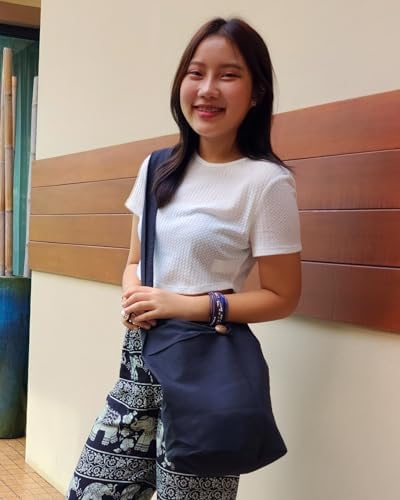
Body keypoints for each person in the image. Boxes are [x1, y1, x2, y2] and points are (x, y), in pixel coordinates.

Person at [66, 16, 301, 500]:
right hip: (138, 365)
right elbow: (134, 261)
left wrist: (187, 305)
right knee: (90, 492)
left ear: (256, 93)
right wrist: (133, 293)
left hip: (205, 371)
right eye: (196, 73)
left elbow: (283, 296)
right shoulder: (157, 167)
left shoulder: (266, 183)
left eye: (228, 75)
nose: (207, 89)